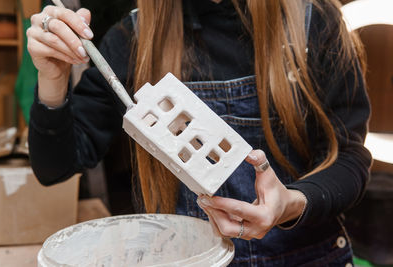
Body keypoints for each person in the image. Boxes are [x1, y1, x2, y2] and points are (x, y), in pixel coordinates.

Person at [26, 0, 372, 265]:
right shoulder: (131, 40)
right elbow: (54, 167)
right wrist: (52, 79)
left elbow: (349, 157)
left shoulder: (312, 22)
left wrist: (291, 203)